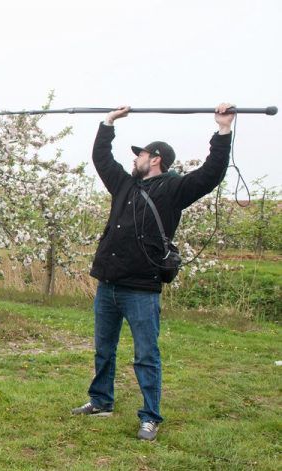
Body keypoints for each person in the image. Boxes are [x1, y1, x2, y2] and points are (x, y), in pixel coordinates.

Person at [72, 104, 235, 441]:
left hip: (142, 289)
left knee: (146, 354)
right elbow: (102, 159)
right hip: (109, 284)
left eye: (141, 155)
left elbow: (211, 173)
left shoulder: (175, 190)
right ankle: (101, 401)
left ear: (156, 158)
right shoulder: (124, 185)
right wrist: (107, 123)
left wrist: (222, 130)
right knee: (104, 348)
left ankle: (150, 416)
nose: (135, 159)